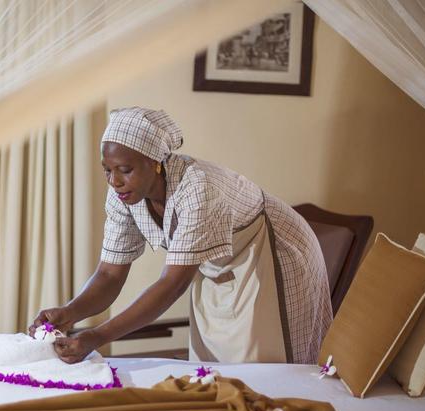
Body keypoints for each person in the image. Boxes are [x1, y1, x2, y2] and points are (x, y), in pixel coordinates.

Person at [29, 107, 331, 365]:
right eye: (106, 170)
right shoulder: (124, 195)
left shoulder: (198, 188)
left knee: (264, 362)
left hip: (273, 250)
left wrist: (97, 335)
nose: (115, 180)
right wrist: (70, 313)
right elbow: (109, 274)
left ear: (155, 163)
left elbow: (172, 285)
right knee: (217, 362)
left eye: (124, 169)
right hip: (221, 262)